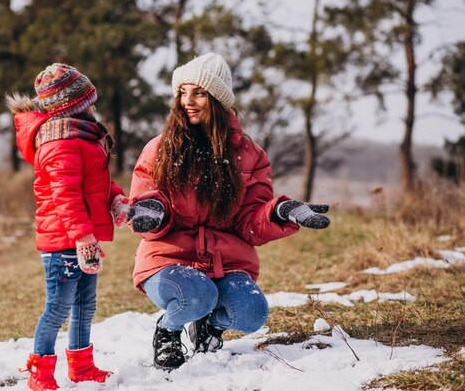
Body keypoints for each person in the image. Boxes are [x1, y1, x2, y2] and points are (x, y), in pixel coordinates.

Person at [127, 53, 330, 371]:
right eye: (183, 92)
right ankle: (168, 332)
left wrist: (281, 211)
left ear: (218, 99)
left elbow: (249, 220)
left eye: (199, 93)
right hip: (168, 259)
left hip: (226, 263)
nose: (188, 101)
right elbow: (145, 199)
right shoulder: (160, 149)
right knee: (196, 294)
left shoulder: (249, 155)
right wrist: (152, 214)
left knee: (252, 312)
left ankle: (209, 327)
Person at [6, 63, 130, 390]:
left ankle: (81, 366)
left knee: (84, 306)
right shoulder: (60, 142)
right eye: (89, 101)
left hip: (78, 238)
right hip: (64, 242)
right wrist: (85, 238)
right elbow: (67, 198)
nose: (94, 106)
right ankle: (40, 373)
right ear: (73, 106)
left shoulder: (81, 137)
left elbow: (96, 183)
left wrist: (116, 199)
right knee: (58, 307)